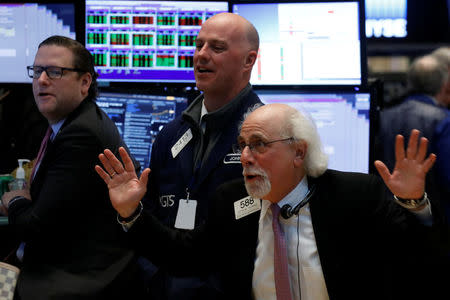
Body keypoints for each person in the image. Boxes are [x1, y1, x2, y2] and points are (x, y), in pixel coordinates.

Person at [96, 103, 447, 300]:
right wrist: (132, 213)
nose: (246, 156)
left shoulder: (353, 195)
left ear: (298, 151)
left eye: (259, 144)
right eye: (242, 144)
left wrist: (413, 202)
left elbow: (416, 260)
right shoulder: (231, 201)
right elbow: (185, 256)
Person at [1, 36, 142, 299]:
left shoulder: (81, 134)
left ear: (85, 82)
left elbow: (34, 227)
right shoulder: (74, 122)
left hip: (72, 279)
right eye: (37, 71)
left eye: (55, 72)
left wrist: (15, 201)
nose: (42, 80)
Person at [139, 12, 262, 299]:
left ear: (249, 61)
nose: (201, 55)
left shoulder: (265, 136)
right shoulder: (170, 133)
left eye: (217, 48)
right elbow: (153, 208)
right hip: (165, 285)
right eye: (198, 46)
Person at [378, 54, 450, 224]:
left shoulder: (381, 116)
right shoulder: (445, 120)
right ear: (443, 85)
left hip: (389, 219)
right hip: (436, 224)